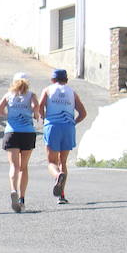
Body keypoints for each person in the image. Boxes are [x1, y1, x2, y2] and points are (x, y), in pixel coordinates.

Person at [37, 68, 87, 205]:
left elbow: (40, 107)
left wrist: (42, 118)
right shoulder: (72, 92)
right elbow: (83, 113)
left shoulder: (47, 90)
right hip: (68, 128)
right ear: (66, 79)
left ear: (53, 79)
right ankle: (62, 196)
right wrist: (73, 123)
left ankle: (58, 175)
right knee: (62, 162)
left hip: (53, 126)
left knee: (52, 162)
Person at [0, 72, 40, 213]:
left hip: (12, 132)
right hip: (27, 132)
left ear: (13, 82)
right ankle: (22, 198)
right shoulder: (31, 95)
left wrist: (10, 115)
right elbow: (35, 108)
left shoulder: (8, 95)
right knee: (24, 167)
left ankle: (13, 190)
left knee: (14, 165)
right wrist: (35, 115)